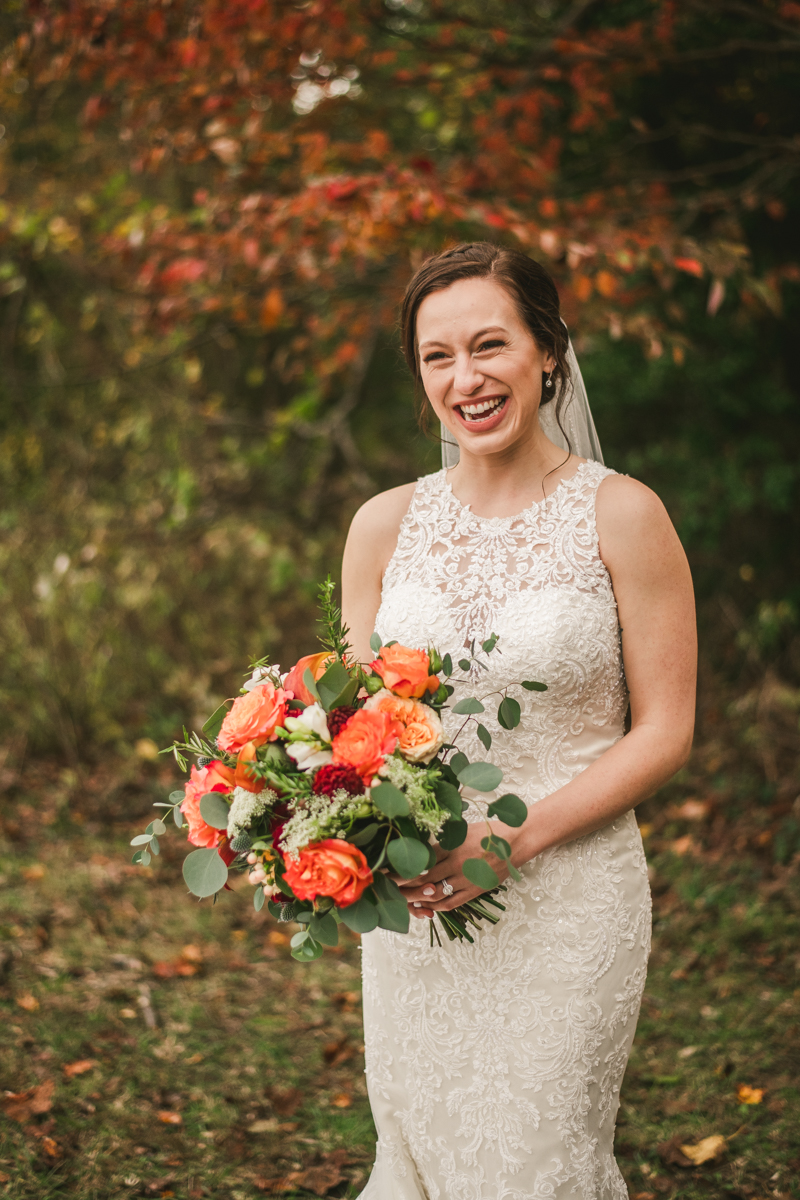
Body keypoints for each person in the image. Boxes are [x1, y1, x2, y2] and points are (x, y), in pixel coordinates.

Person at [341, 242, 697, 1200]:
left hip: (571, 899)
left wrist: (517, 836)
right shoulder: (381, 526)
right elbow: (359, 729)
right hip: (417, 914)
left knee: (538, 1168)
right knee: (421, 1159)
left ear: (548, 350)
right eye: (437, 356)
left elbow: (666, 730)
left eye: (490, 345)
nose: (467, 379)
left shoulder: (623, 516)